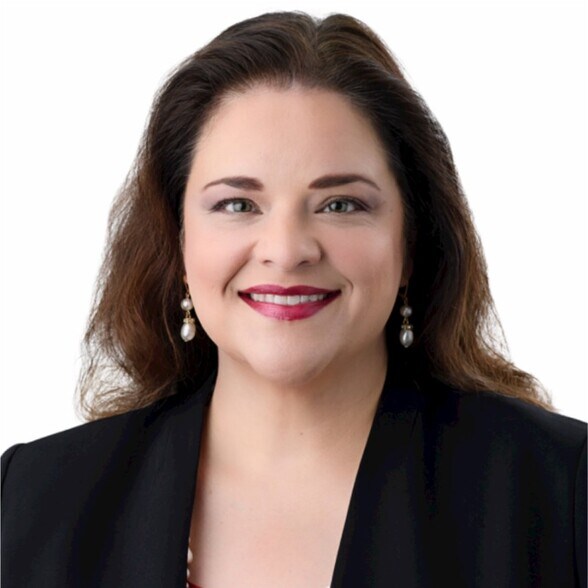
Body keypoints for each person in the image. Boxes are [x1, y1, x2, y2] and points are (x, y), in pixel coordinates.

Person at [1, 11, 585, 588]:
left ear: (411, 243)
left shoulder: (562, 491)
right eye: (237, 205)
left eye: (341, 204)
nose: (285, 251)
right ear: (177, 244)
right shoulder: (32, 497)